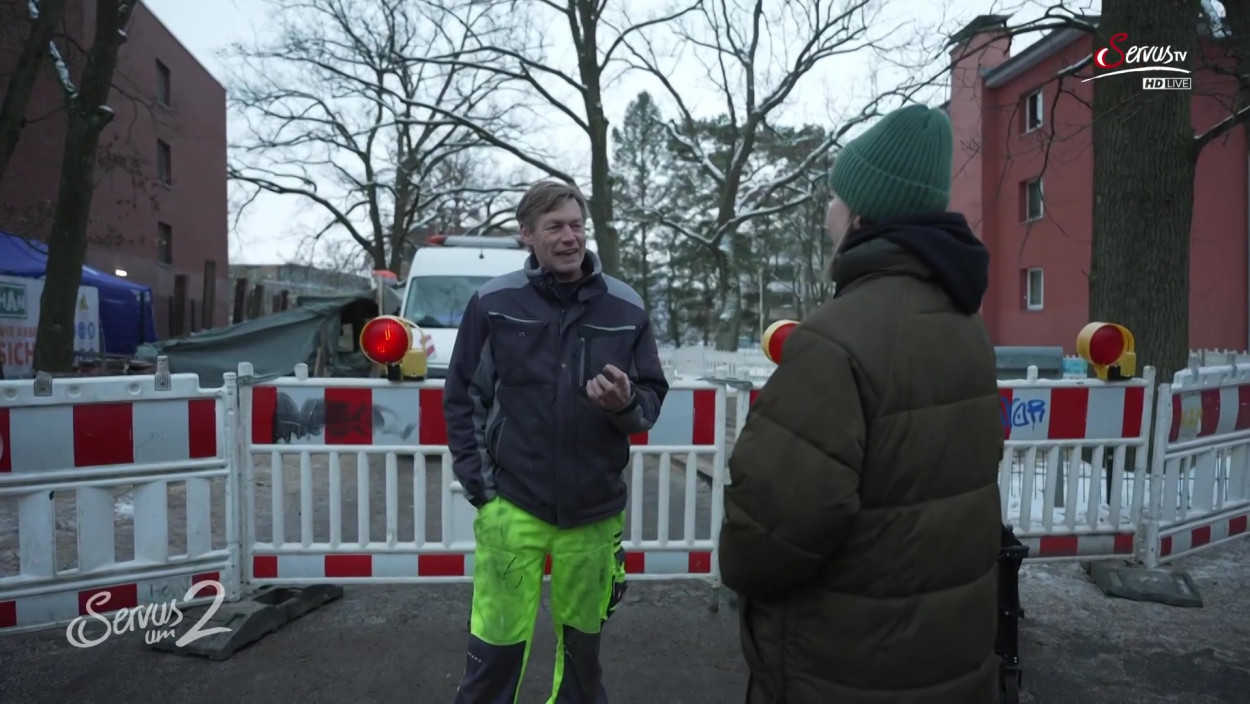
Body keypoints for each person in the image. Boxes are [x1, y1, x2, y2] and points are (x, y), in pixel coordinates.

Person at [717, 103, 1004, 704]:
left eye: (837, 198)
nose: (828, 213)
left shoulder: (835, 338)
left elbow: (774, 528)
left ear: (865, 212)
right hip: (943, 651)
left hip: (845, 659)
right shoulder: (963, 322)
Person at [444, 179, 669, 703]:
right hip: (513, 507)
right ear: (527, 235)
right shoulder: (493, 303)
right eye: (555, 227)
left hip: (594, 510)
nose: (570, 238)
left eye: (576, 225)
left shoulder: (626, 306)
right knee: (494, 653)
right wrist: (482, 490)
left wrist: (624, 404)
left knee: (583, 660)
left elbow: (651, 400)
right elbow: (463, 398)